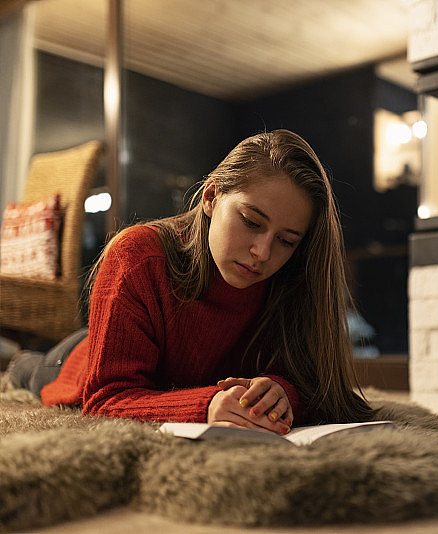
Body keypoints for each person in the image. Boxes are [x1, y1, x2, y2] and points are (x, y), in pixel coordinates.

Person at [7, 129, 373, 434]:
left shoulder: (292, 277)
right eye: (251, 221)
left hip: (159, 360)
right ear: (212, 197)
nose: (263, 252)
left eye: (286, 240)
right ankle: (19, 358)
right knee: (29, 370)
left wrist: (283, 394)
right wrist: (206, 406)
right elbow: (105, 400)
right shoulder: (136, 257)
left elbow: (318, 389)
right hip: (76, 362)